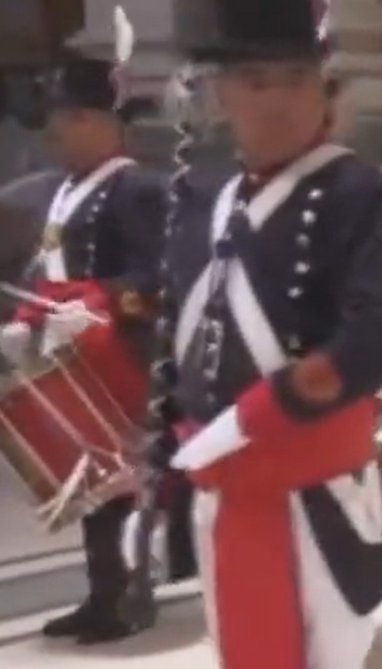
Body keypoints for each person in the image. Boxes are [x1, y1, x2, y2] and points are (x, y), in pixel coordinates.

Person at [145, 1, 382, 667]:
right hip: (221, 487)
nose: (279, 101)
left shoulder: (361, 194)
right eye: (258, 81)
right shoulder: (203, 200)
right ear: (222, 91)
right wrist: (157, 466)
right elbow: (176, 339)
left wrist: (260, 412)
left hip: (317, 488)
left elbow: (377, 335)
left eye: (298, 78)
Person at [0, 44, 178, 643]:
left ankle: (132, 593)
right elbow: (47, 269)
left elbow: (158, 280)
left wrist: (98, 303)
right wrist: (31, 315)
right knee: (90, 481)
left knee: (122, 483)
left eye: (76, 117)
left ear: (108, 123)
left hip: (119, 352)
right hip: (70, 352)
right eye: (60, 118)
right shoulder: (61, 191)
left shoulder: (136, 191)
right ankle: (103, 591)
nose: (61, 131)